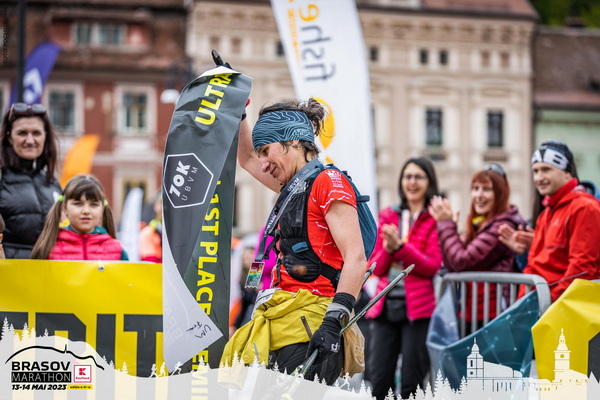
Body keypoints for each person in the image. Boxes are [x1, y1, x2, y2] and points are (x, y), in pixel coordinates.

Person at [221, 99, 368, 385]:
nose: (264, 164)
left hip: (313, 325)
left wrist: (332, 321)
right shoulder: (293, 187)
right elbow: (247, 159)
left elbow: (356, 258)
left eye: (267, 151)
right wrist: (238, 109)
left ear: (293, 142)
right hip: (284, 321)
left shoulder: (327, 181)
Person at [365, 157, 442, 400]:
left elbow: (431, 265)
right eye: (408, 176)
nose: (412, 182)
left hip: (418, 310)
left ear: (429, 182)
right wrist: (390, 250)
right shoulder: (388, 214)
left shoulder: (435, 217)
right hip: (385, 306)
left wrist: (400, 247)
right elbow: (376, 268)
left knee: (412, 384)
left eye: (419, 177)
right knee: (379, 381)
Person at [499, 141, 600, 302]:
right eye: (535, 171)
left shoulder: (584, 208)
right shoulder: (545, 213)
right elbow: (533, 266)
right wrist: (522, 304)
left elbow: (581, 269)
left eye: (546, 169)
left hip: (562, 308)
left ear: (567, 173)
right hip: (545, 305)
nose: (539, 178)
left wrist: (548, 304)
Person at [429, 163, 527, 328]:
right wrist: (450, 230)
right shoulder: (479, 223)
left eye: (486, 189)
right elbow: (452, 265)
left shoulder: (503, 226)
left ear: (500, 193)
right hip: (473, 312)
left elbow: (462, 261)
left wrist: (446, 225)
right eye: (475, 188)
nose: (478, 195)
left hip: (494, 316)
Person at [0, 103, 62, 259]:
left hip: (48, 271)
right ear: (9, 137)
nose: (30, 140)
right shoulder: (2, 179)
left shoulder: (53, 183)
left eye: (36, 133)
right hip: (9, 271)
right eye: (22, 133)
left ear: (45, 136)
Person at [31, 174, 128, 260]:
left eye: (94, 204)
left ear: (102, 209)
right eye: (78, 204)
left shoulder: (117, 250)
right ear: (65, 208)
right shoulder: (48, 247)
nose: (86, 211)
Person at [139, 193, 162, 263]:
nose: (164, 206)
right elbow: (150, 263)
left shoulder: (179, 232)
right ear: (155, 206)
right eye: (161, 202)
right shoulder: (148, 233)